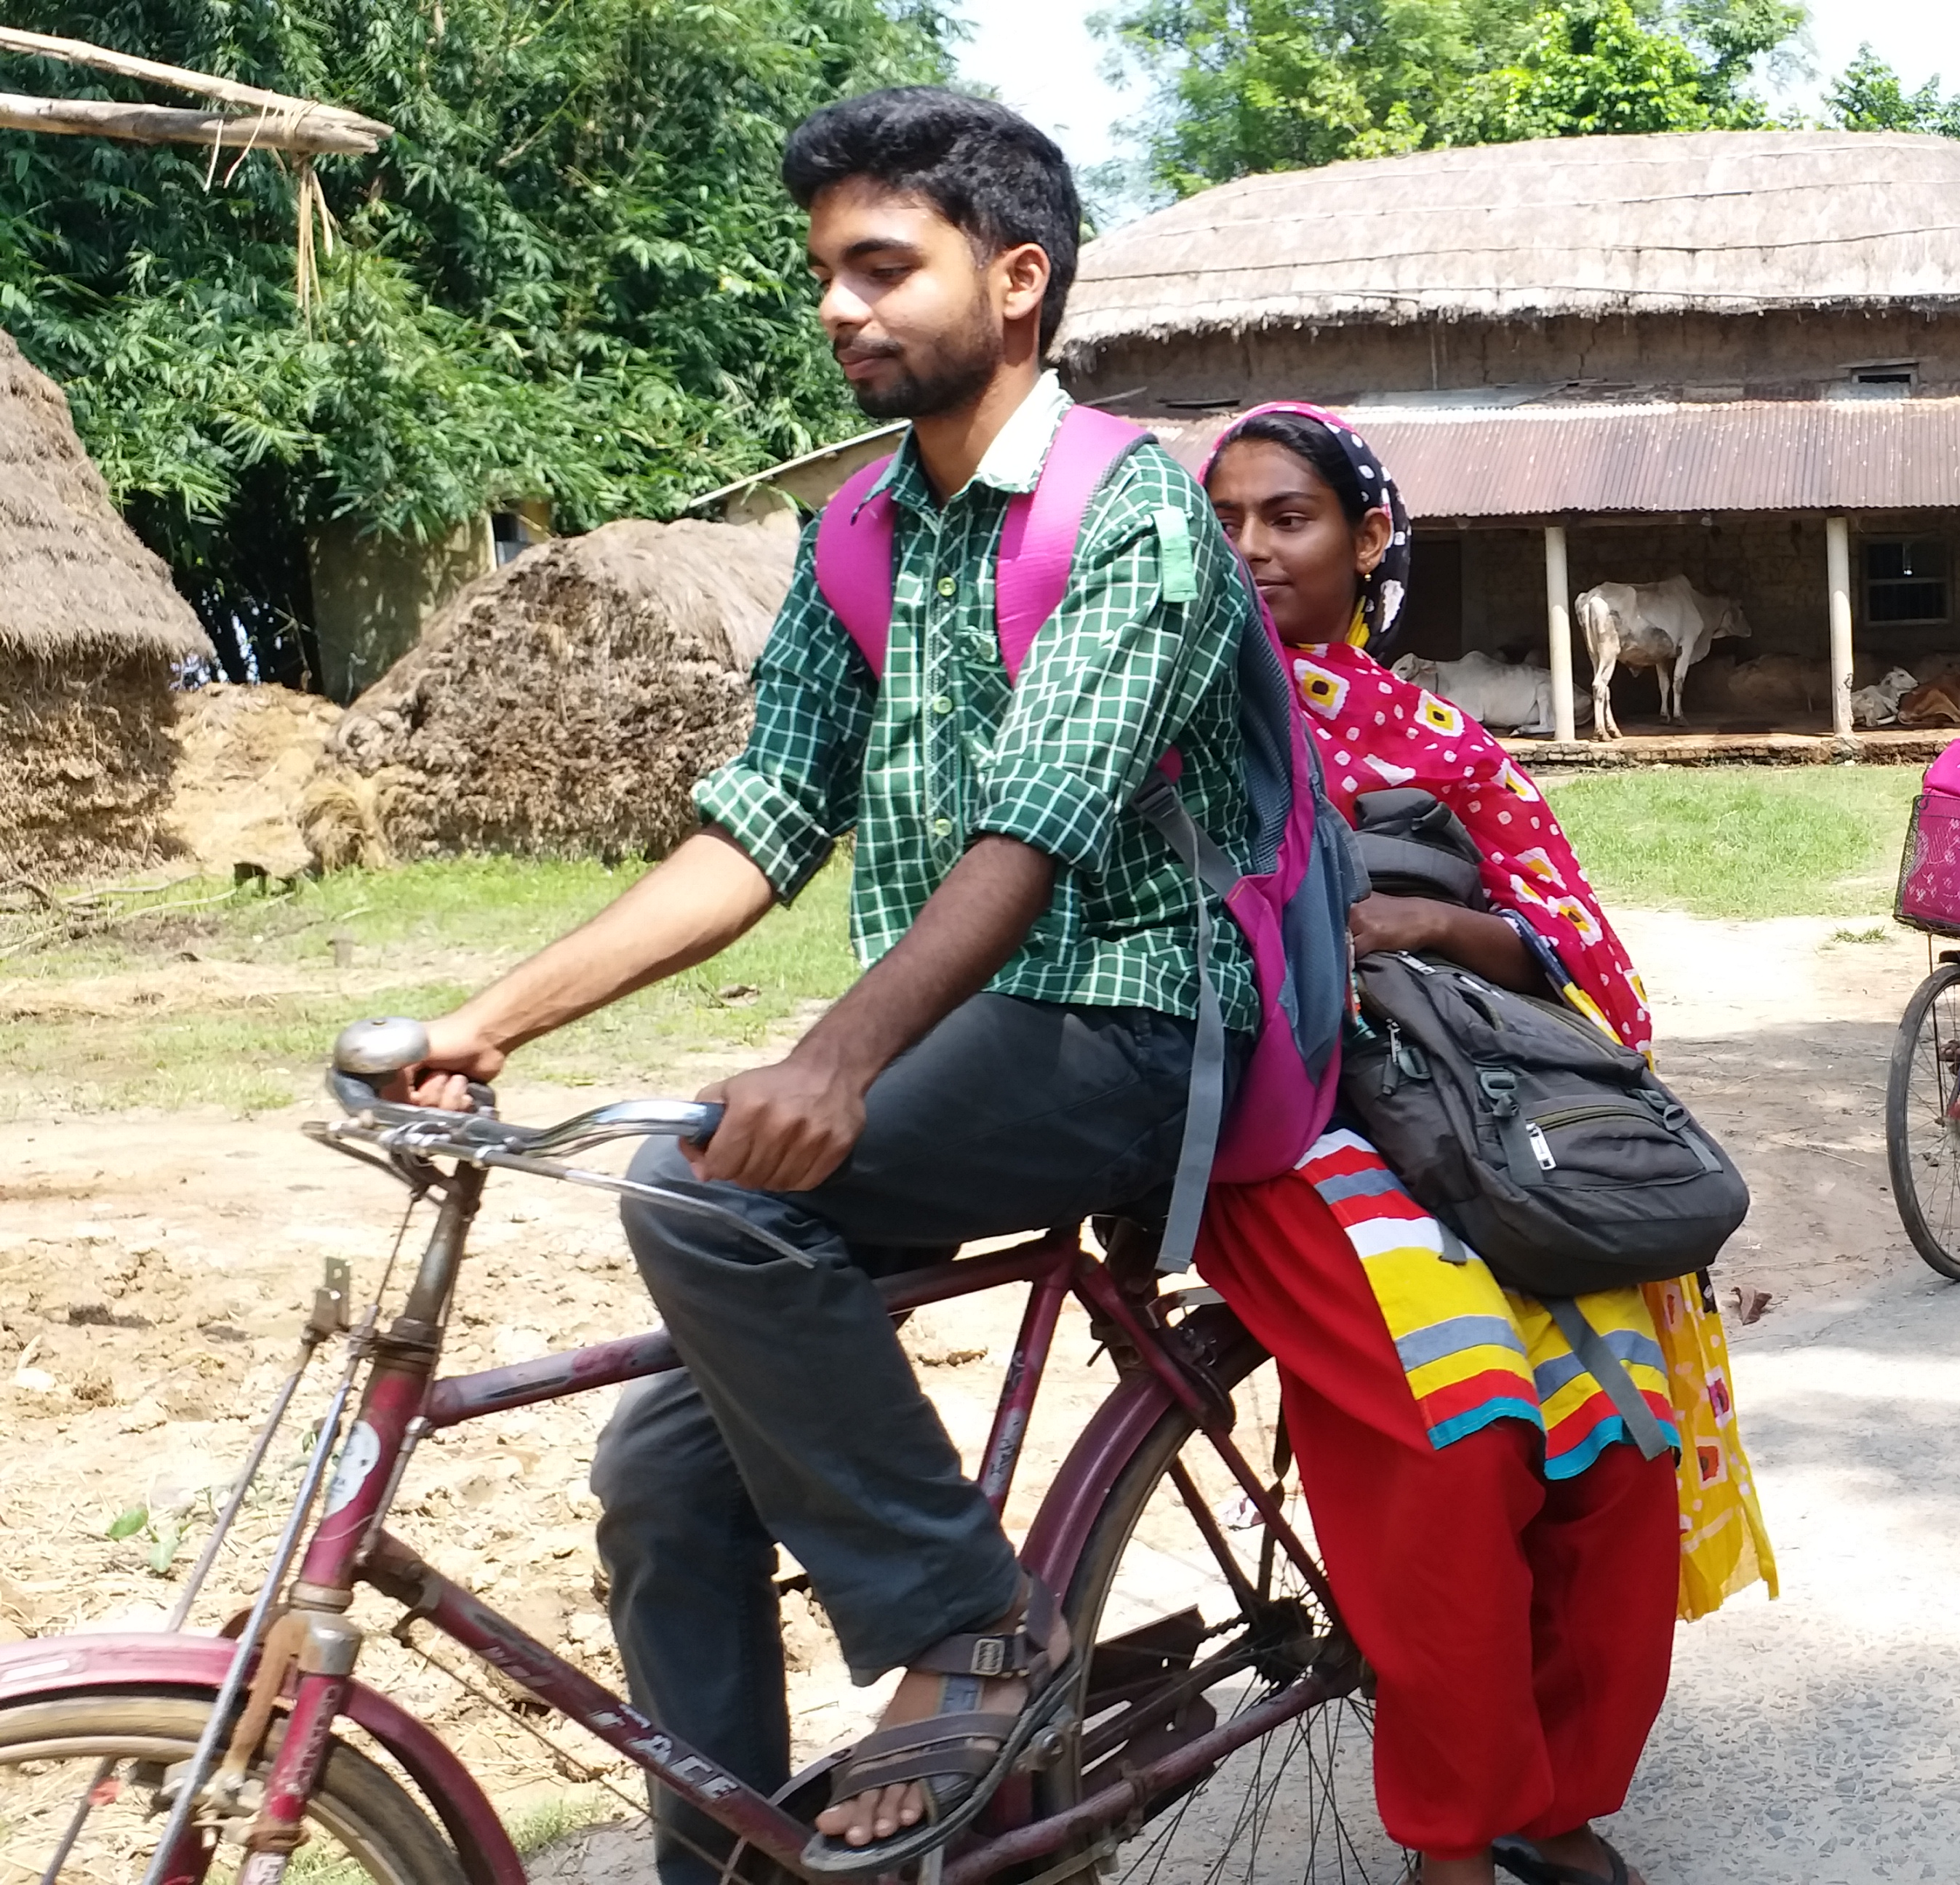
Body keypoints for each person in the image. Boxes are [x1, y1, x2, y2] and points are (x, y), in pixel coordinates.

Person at [389, 89, 1263, 1880]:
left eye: (884, 266)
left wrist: (833, 1061)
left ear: (1017, 280)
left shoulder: (1133, 514)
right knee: (658, 1483)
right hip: (967, 1026)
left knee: (700, 1192)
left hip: (1138, 1019)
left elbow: (1033, 832)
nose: (839, 309)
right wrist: (491, 1019)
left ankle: (974, 1626)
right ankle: (731, 1863)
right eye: (823, 275)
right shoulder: (861, 531)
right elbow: (762, 818)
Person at [1196, 403, 1775, 1885]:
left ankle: (1550, 1793)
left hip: (1481, 1110)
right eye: (1231, 519)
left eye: (1290, 517)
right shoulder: (1179, 715)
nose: (1253, 547)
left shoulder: (1442, 742)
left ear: (1369, 540)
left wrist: (1439, 923)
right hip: (1293, 1129)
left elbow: (1596, 965)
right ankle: (1452, 1834)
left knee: (1627, 1424)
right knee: (1471, 1429)